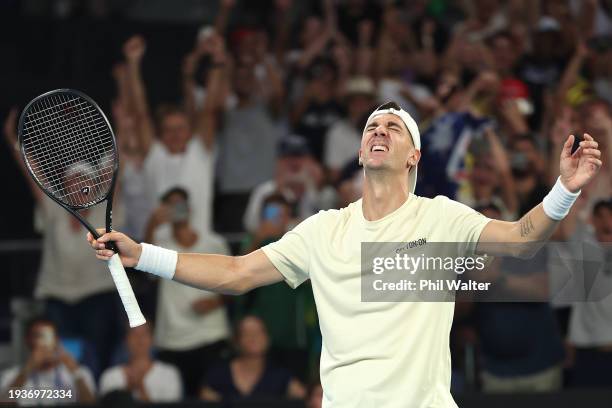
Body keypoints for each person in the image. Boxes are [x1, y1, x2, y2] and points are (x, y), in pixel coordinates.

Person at [88, 101, 602, 407]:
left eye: (393, 128)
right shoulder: (322, 230)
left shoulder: (441, 216)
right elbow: (237, 273)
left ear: (412, 157)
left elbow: (522, 239)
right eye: (371, 128)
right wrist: (143, 256)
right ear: (360, 152)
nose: (378, 132)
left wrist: (564, 188)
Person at [3, 110, 125, 374]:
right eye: (72, 181)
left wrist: (124, 129)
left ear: (95, 184)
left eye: (84, 180)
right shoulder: (53, 208)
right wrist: (15, 141)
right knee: (58, 362)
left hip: (98, 296)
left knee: (97, 363)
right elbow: (31, 173)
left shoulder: (106, 208)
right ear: (64, 186)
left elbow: (117, 165)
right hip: (57, 298)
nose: (78, 185)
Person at [145, 187, 231, 398]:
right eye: (171, 205)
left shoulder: (214, 242)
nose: (177, 209)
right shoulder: (160, 246)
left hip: (211, 335)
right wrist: (152, 224)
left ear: (190, 208)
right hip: (172, 340)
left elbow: (234, 283)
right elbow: (143, 263)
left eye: (180, 203)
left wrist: (215, 302)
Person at [200, 315, 306, 401]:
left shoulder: (281, 375)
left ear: (268, 338)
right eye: (247, 333)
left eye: (259, 332)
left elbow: (305, 399)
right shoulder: (218, 374)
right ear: (236, 341)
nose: (253, 337)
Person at [0, 319, 96, 405]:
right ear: (28, 340)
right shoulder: (12, 375)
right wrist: (27, 370)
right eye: (39, 336)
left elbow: (90, 404)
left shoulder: (80, 373)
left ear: (57, 340)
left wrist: (75, 372)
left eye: (49, 336)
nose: (45, 344)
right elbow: (5, 404)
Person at [99, 323, 182, 402]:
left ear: (152, 339)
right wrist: (128, 391)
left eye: (144, 334)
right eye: (134, 334)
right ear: (125, 340)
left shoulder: (169, 374)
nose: (139, 339)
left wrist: (141, 388)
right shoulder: (110, 376)